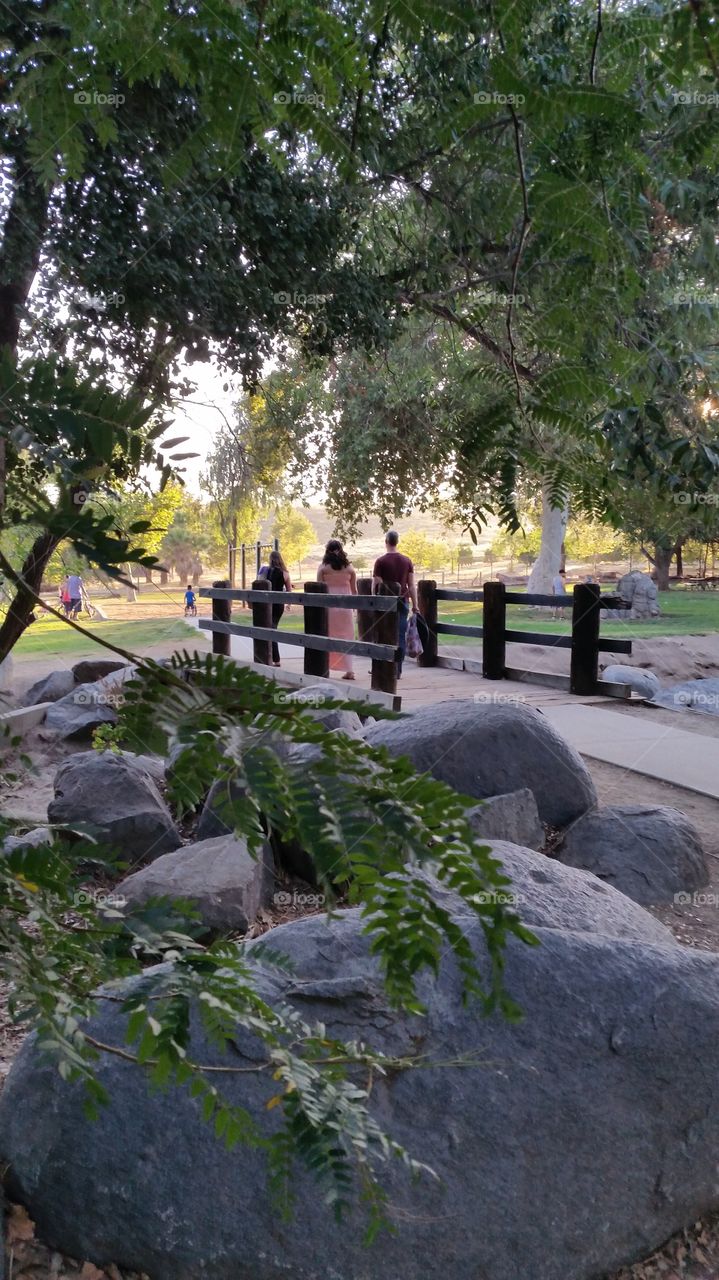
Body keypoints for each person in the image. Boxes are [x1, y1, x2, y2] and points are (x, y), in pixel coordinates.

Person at [373, 530, 417, 678]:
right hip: (402, 601)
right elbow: (411, 586)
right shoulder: (407, 561)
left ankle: (383, 667)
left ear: (386, 542)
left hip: (385, 604)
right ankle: (397, 669)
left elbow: (376, 584)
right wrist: (415, 605)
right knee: (399, 635)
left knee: (382, 634)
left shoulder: (380, 561)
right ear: (396, 542)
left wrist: (374, 600)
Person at [317, 539, 358, 680]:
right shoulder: (349, 569)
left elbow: (318, 589)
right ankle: (349, 670)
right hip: (346, 608)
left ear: (327, 550)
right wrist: (356, 609)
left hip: (329, 608)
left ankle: (326, 666)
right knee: (347, 637)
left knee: (329, 635)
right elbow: (354, 591)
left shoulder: (323, 568)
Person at [266, 550, 292, 666]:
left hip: (267, 603)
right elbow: (289, 590)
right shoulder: (285, 573)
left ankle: (275, 658)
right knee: (273, 627)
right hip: (279, 604)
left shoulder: (266, 571)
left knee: (269, 629)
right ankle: (274, 658)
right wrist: (288, 604)